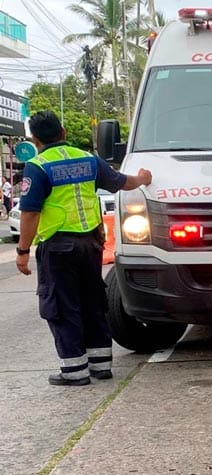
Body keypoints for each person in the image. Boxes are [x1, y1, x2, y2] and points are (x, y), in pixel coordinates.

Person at [15, 111, 152, 386]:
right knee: (93, 302)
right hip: (90, 244)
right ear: (63, 132)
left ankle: (74, 371)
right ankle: (101, 365)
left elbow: (30, 213)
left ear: (35, 139)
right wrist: (142, 178)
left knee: (62, 306)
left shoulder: (38, 166)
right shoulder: (88, 159)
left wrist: (22, 251)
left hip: (58, 247)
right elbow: (121, 182)